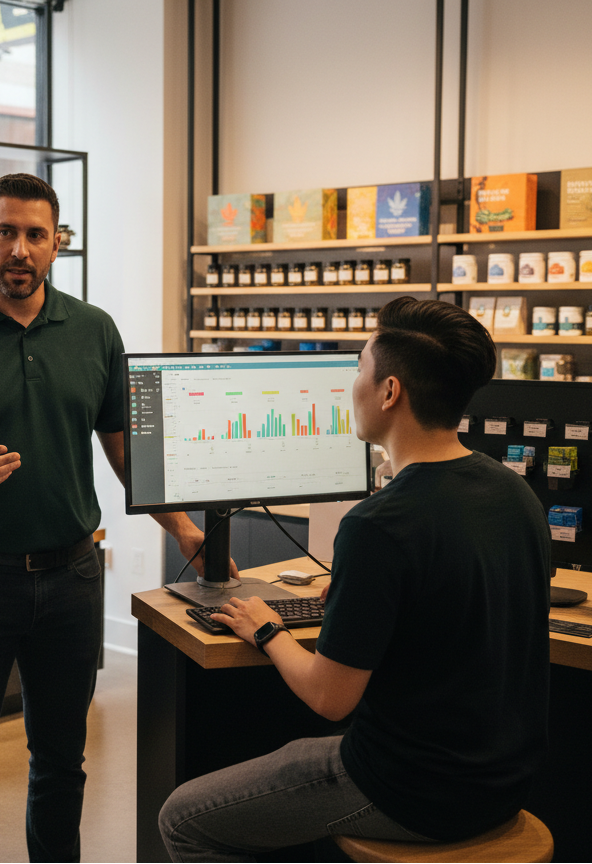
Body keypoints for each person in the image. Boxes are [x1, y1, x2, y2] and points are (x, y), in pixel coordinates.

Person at [0, 173, 227, 863]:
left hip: (70, 576)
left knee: (63, 762)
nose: (20, 249)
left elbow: (126, 452)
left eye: (36, 234)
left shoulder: (93, 331)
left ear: (56, 244)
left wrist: (185, 531)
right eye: (6, 231)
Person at [158, 296, 551, 860]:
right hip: (503, 782)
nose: (351, 387)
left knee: (184, 818)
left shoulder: (378, 524)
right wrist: (365, 598)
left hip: (410, 790)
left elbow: (329, 697)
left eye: (359, 370)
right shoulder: (511, 491)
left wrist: (268, 630)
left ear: (390, 392)